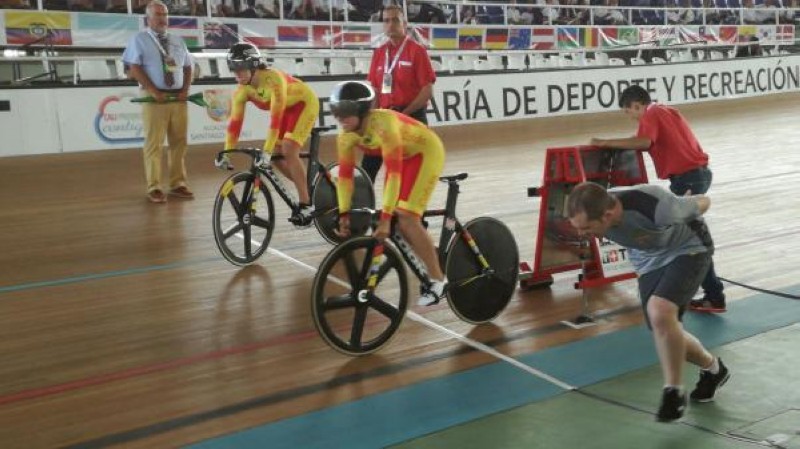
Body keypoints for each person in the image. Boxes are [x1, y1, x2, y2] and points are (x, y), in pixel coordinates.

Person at [567, 182, 730, 422]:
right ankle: (714, 369)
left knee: (660, 310)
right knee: (662, 327)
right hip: (648, 259)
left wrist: (688, 203)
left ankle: (673, 392)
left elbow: (704, 202)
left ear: (608, 215)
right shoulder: (599, 208)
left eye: (586, 228)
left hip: (689, 248)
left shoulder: (656, 207)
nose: (582, 234)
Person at [589, 85, 726, 313]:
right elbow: (644, 139)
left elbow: (644, 141)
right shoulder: (667, 110)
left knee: (693, 239)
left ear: (637, 105)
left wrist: (604, 142)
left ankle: (714, 295)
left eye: (629, 112)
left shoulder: (651, 113)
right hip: (696, 175)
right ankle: (711, 293)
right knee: (693, 235)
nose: (631, 118)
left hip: (687, 178)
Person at [330, 81, 446, 306]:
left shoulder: (385, 125)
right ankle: (432, 253)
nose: (339, 118)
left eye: (345, 113)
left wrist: (384, 219)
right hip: (405, 157)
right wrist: (344, 213)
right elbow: (345, 178)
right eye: (336, 112)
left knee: (406, 218)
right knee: (401, 222)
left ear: (363, 111)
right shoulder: (345, 136)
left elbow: (392, 175)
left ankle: (438, 280)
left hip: (426, 153)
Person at [216, 42, 320, 222]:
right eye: (234, 70)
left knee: (288, 148)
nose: (237, 74)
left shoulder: (273, 80)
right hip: (287, 111)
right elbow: (235, 124)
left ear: (254, 66)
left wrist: (267, 149)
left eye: (240, 69)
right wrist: (227, 152)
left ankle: (306, 204)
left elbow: (275, 120)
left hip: (304, 104)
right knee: (275, 158)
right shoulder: (242, 91)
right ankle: (308, 187)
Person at [122, 0, 194, 204]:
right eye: (158, 14)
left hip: (179, 98)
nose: (162, 18)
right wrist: (153, 91)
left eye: (165, 14)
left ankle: (178, 184)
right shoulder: (139, 39)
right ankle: (154, 186)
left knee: (179, 142)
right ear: (148, 18)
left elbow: (188, 67)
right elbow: (134, 67)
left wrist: (185, 90)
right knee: (154, 144)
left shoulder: (178, 40)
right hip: (154, 99)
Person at [364, 4, 436, 182]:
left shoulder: (417, 51)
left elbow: (427, 91)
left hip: (411, 117)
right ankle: (361, 205)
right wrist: (371, 118)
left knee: (403, 172)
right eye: (386, 21)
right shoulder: (379, 53)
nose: (390, 24)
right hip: (385, 117)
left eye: (395, 20)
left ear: (404, 23)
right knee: (368, 167)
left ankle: (402, 207)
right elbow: (375, 90)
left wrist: (404, 114)